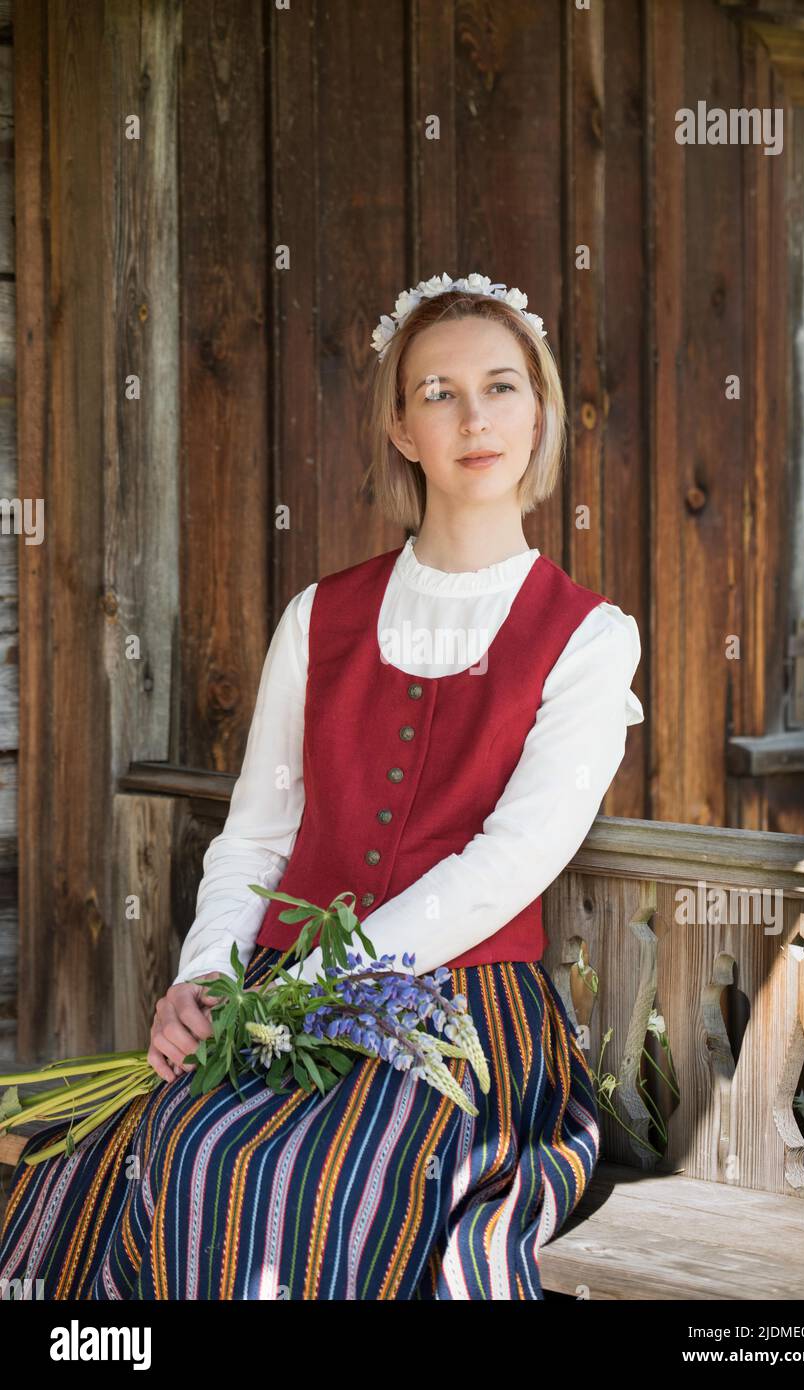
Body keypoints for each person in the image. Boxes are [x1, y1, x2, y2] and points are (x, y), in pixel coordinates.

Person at [0, 272, 643, 1299]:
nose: (475, 416)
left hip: (458, 1021)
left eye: (503, 386)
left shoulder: (589, 640)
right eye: (438, 392)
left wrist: (324, 985)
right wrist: (208, 974)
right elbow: (255, 837)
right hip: (273, 994)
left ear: (541, 413)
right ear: (399, 425)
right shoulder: (320, 616)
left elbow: (511, 860)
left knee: (300, 1180)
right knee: (177, 1151)